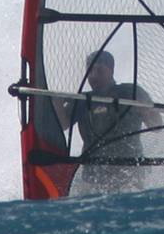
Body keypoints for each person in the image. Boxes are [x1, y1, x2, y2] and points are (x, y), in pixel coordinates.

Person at [60, 50, 157, 192]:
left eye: (99, 70)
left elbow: (157, 125)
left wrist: (145, 110)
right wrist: (56, 102)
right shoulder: (82, 100)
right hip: (93, 176)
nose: (93, 76)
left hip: (129, 172)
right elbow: (63, 124)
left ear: (111, 70)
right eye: (90, 71)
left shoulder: (130, 92)